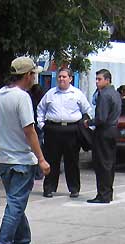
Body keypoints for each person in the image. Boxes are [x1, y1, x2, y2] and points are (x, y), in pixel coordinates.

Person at [0, 56, 51, 244]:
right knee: (15, 205)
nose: (35, 78)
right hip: (22, 159)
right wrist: (41, 158)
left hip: (6, 158)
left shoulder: (0, 94)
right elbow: (29, 130)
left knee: (16, 202)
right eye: (34, 74)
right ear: (27, 75)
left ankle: (22, 242)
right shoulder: (22, 97)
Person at [36, 67, 92, 198]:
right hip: (53, 130)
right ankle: (49, 188)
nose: (61, 79)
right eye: (60, 76)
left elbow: (87, 111)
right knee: (51, 160)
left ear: (70, 78)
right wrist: (42, 125)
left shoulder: (77, 94)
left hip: (72, 131)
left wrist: (83, 127)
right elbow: (40, 109)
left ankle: (74, 188)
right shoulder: (50, 94)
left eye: (64, 77)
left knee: (72, 161)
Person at [87, 69, 121, 204]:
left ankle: (103, 194)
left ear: (107, 80)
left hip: (104, 131)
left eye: (99, 79)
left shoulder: (104, 94)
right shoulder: (115, 93)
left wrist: (88, 122)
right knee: (109, 163)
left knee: (102, 164)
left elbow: (101, 118)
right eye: (96, 79)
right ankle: (108, 193)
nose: (97, 82)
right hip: (113, 130)